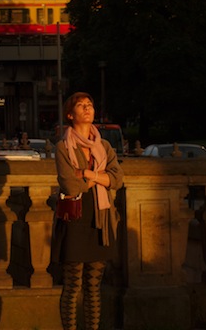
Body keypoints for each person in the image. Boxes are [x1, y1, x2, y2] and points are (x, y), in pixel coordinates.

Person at [52, 92, 124, 330]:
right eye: (81, 106)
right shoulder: (63, 147)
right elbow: (70, 185)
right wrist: (99, 179)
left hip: (100, 219)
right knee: (72, 285)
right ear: (70, 115)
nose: (87, 108)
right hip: (75, 218)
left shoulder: (104, 146)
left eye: (90, 105)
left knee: (94, 286)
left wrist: (88, 174)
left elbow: (118, 179)